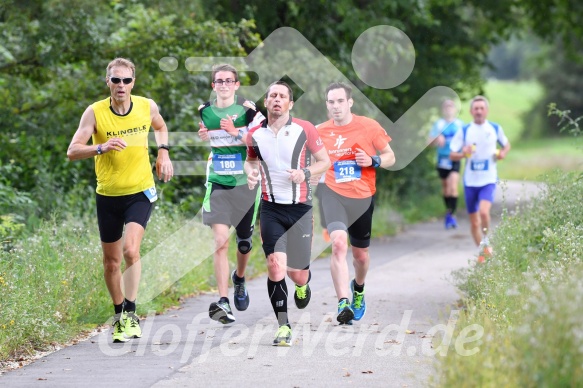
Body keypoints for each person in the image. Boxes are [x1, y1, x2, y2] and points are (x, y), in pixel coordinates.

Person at [67, 58, 174, 343]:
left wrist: (163, 152)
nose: (121, 86)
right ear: (108, 82)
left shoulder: (146, 105)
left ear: (133, 83)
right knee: (112, 262)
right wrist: (100, 147)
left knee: (130, 250)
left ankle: (131, 311)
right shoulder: (95, 112)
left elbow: (160, 126)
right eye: (116, 80)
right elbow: (73, 150)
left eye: (126, 81)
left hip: (140, 191)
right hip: (108, 195)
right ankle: (118, 316)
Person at [245, 81, 330, 346]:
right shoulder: (255, 135)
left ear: (290, 104)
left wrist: (304, 173)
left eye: (282, 96)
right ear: (267, 102)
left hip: (301, 209)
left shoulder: (305, 129)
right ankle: (283, 326)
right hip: (271, 209)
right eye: (272, 96)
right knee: (275, 266)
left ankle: (304, 284)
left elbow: (325, 161)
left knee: (297, 274)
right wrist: (250, 173)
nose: (277, 99)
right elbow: (250, 160)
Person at [316, 82, 395, 325]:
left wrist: (372, 160)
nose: (336, 106)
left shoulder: (368, 126)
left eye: (340, 101)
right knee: (339, 244)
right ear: (327, 104)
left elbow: (391, 157)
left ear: (350, 102)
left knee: (360, 256)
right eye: (331, 102)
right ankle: (343, 303)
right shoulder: (319, 131)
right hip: (331, 192)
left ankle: (358, 289)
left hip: (362, 196)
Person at [197, 63, 264, 324]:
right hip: (218, 183)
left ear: (236, 85)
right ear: (214, 86)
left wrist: (237, 132)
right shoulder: (205, 111)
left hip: (245, 183)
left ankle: (240, 277)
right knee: (221, 241)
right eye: (219, 81)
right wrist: (204, 135)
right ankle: (223, 301)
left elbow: (262, 142)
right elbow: (209, 138)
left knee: (244, 243)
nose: (223, 85)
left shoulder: (249, 111)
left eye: (229, 81)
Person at [449, 95, 511, 252]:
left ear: (487, 111)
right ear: (471, 111)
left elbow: (506, 145)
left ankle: (486, 241)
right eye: (476, 108)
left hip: (488, 179)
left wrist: (502, 153)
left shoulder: (495, 128)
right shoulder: (464, 130)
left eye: (481, 108)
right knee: (474, 222)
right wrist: (464, 153)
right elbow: (452, 154)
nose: (479, 111)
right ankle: (484, 252)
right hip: (470, 181)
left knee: (484, 213)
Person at [429, 99, 464, 229]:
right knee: (445, 189)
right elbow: (429, 143)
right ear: (443, 110)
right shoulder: (438, 125)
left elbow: (467, 141)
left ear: (455, 109)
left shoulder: (460, 125)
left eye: (451, 107)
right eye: (446, 107)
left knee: (453, 186)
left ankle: (452, 215)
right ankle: (448, 211)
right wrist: (437, 137)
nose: (449, 109)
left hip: (454, 158)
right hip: (442, 158)